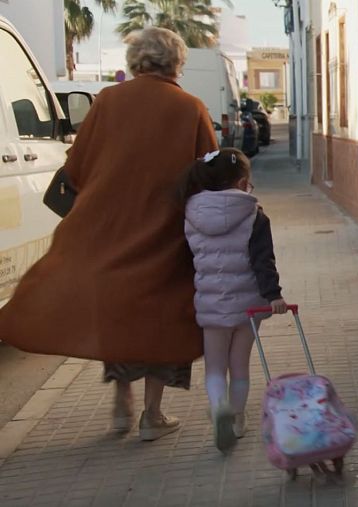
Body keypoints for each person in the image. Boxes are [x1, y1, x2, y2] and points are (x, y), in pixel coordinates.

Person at [0, 27, 218, 441]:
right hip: (165, 231)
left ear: (136, 59)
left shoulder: (107, 101)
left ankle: (122, 403)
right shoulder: (190, 106)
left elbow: (77, 166)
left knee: (121, 312)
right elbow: (208, 173)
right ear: (176, 61)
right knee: (164, 318)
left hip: (107, 225)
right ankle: (152, 416)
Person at [179, 148, 287, 452]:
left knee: (214, 367)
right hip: (248, 306)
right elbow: (263, 261)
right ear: (242, 184)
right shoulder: (254, 216)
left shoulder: (190, 214)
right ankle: (238, 419)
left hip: (210, 304)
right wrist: (274, 296)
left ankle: (218, 409)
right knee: (239, 365)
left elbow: (189, 258)